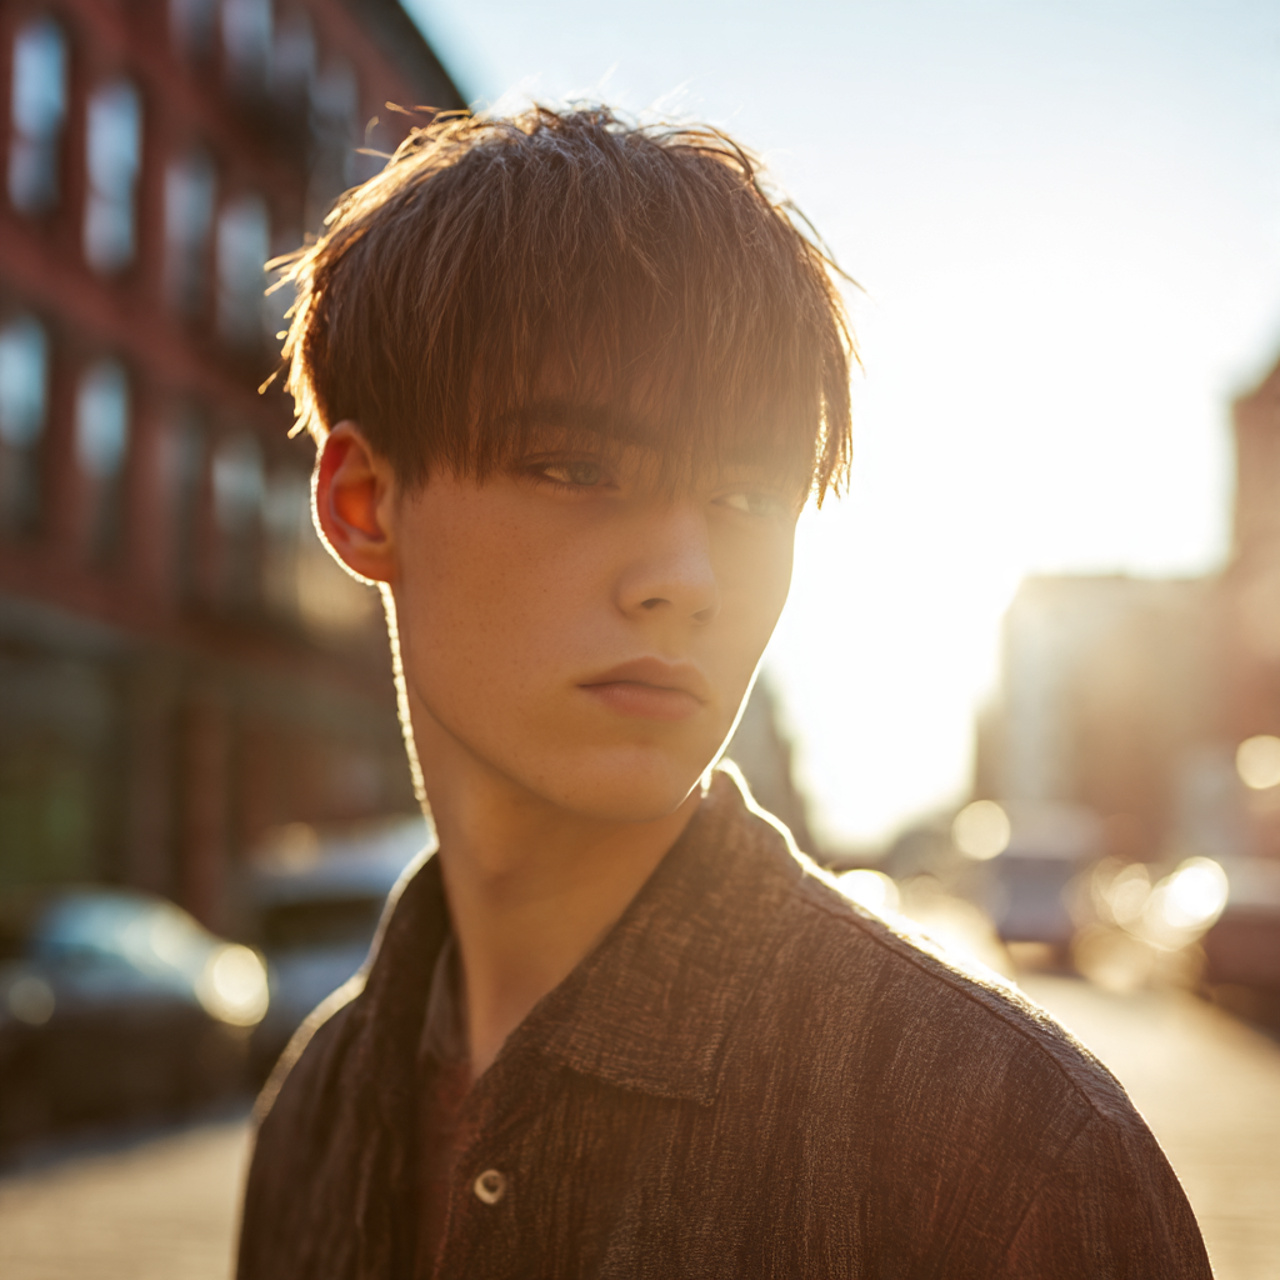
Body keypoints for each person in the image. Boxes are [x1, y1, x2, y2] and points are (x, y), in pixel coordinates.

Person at [236, 105, 1212, 1279]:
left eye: (748, 497)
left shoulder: (1008, 1152)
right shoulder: (315, 1113)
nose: (685, 580)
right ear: (364, 500)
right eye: (577, 467)